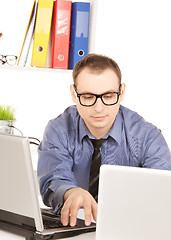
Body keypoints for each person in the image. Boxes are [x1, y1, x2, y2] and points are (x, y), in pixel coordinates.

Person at [37, 53, 171, 227]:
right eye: (88, 97)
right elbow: (53, 178)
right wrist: (71, 192)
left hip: (129, 228)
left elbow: (163, 193)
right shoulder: (58, 129)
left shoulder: (148, 137)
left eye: (108, 96)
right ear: (73, 93)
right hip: (71, 226)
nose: (98, 108)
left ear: (121, 92)